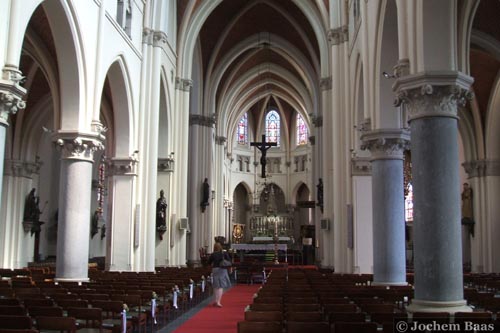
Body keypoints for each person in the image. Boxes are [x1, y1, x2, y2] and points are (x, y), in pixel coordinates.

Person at [207, 242, 232, 307]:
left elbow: (208, 262)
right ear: (220, 247)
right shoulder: (224, 253)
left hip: (215, 269)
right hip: (222, 269)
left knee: (215, 286)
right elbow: (229, 261)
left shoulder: (213, 254)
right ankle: (218, 301)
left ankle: (215, 301)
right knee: (221, 286)